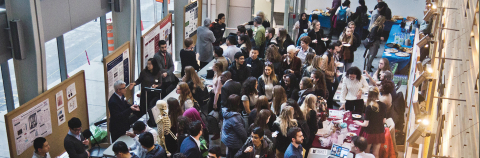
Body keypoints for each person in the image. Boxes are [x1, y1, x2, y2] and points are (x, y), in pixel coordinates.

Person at [354, 87, 387, 158]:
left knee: (366, 152)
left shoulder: (369, 107)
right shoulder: (383, 105)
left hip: (369, 132)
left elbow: (366, 124)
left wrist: (358, 123)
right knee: (376, 153)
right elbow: (384, 121)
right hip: (379, 131)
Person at [321, 41, 342, 108]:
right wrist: (333, 74)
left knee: (336, 86)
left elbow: (331, 65)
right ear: (331, 49)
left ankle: (332, 102)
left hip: (332, 77)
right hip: (328, 80)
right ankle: (330, 108)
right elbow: (323, 70)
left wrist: (335, 68)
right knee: (328, 96)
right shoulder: (326, 57)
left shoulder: (331, 55)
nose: (336, 51)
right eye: (335, 50)